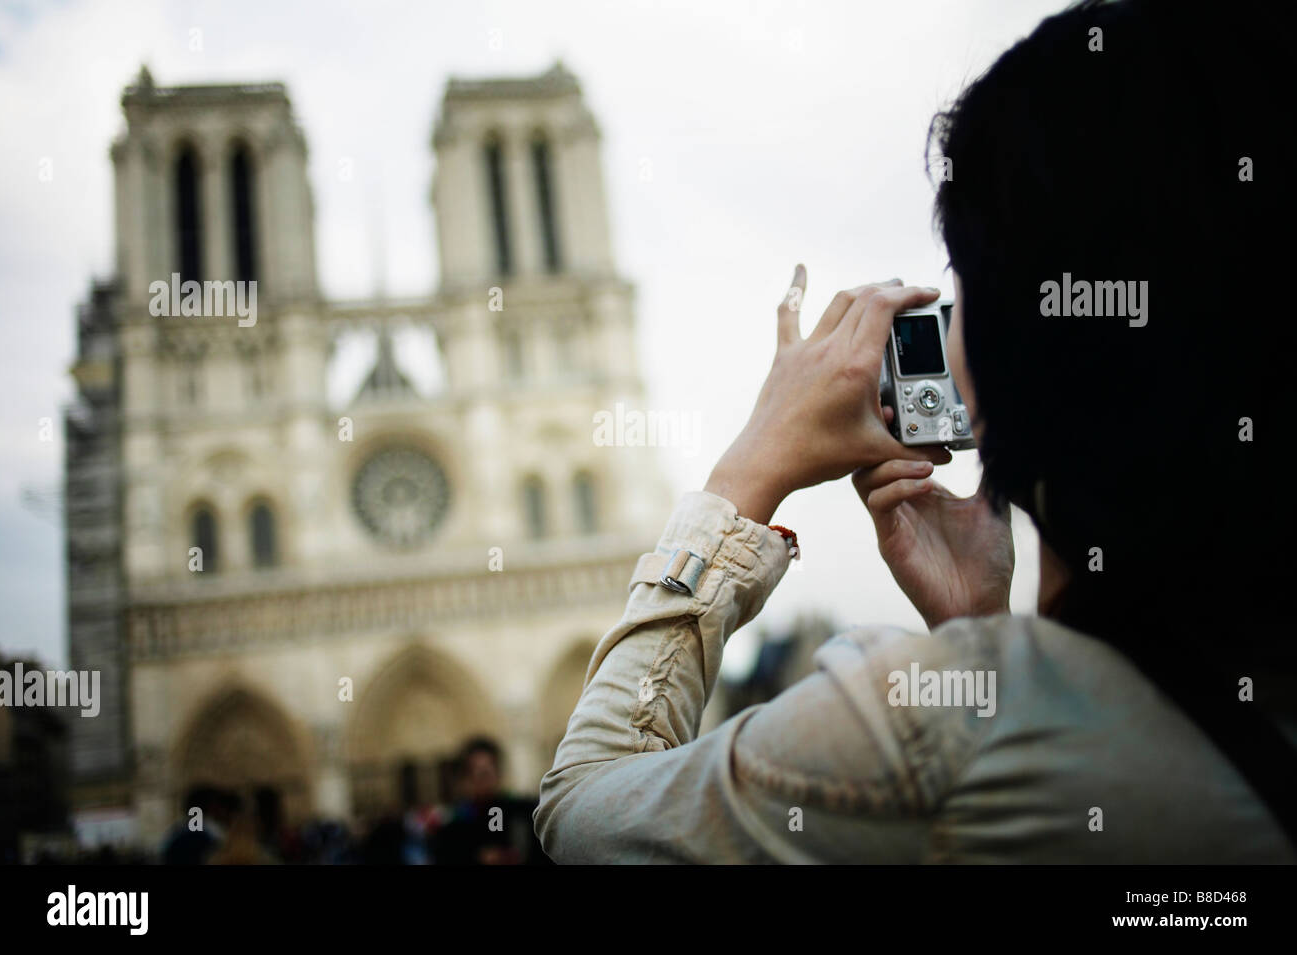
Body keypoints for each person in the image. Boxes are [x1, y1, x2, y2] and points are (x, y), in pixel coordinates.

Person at [533, 0, 1296, 863]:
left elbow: (582, 811)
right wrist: (975, 628)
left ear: (1020, 346)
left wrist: (749, 468)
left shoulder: (928, 735)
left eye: (964, 282)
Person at [433, 737, 550, 864]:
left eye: (487, 772)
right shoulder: (455, 825)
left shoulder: (523, 812)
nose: (482, 779)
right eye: (475, 772)